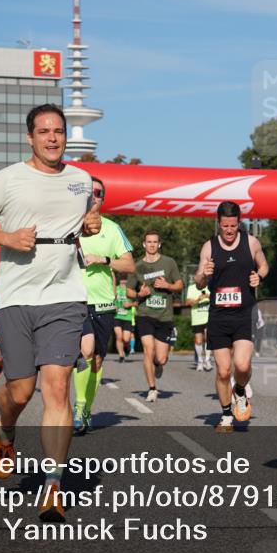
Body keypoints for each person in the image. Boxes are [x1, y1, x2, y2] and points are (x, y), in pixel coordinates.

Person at [0, 103, 102, 523]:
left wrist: (92, 224)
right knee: (20, 391)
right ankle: (5, 431)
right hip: (16, 295)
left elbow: (84, 221)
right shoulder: (9, 178)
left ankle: (53, 485)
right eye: (45, 132)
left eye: (59, 131)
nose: (54, 138)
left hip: (65, 293)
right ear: (30, 137)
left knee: (57, 389)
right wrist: (6, 236)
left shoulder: (81, 180)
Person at [194, 201, 269, 432]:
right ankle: (226, 415)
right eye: (225, 226)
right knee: (224, 370)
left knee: (242, 365)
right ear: (219, 223)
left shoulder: (251, 242)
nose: (229, 231)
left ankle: (240, 390)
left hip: (244, 314)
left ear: (239, 223)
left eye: (233, 226)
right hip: (218, 317)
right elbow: (198, 282)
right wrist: (203, 276)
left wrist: (259, 276)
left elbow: (265, 266)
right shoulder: (209, 247)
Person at [73, 176, 135, 434]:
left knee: (97, 359)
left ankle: (86, 409)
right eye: (89, 192)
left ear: (103, 199)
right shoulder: (70, 224)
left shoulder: (112, 228)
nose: (93, 196)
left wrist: (103, 259)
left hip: (104, 303)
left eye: (98, 193)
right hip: (74, 300)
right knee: (85, 353)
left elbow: (129, 265)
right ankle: (78, 406)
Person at [125, 231, 183, 403]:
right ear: (144, 244)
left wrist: (167, 285)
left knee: (161, 358)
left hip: (164, 316)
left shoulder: (169, 263)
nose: (151, 245)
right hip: (145, 314)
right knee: (148, 350)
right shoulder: (137, 266)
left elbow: (180, 285)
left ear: (159, 244)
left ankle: (158, 365)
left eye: (155, 242)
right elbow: (129, 290)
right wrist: (138, 293)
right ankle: (152, 388)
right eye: (148, 242)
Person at [184, 277, 211, 371]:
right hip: (197, 319)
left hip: (209, 317)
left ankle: (207, 360)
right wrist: (199, 299)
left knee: (209, 338)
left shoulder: (210, 287)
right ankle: (200, 361)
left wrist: (209, 296)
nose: (201, 281)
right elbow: (188, 302)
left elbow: (217, 299)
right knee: (198, 341)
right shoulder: (191, 288)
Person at [112, 276, 136, 363]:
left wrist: (130, 304)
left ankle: (127, 346)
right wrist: (113, 307)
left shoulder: (130, 290)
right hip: (117, 316)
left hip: (127, 317)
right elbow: (110, 299)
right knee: (119, 336)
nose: (123, 281)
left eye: (125, 279)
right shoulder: (116, 289)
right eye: (122, 279)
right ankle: (121, 355)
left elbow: (138, 302)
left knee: (126, 339)